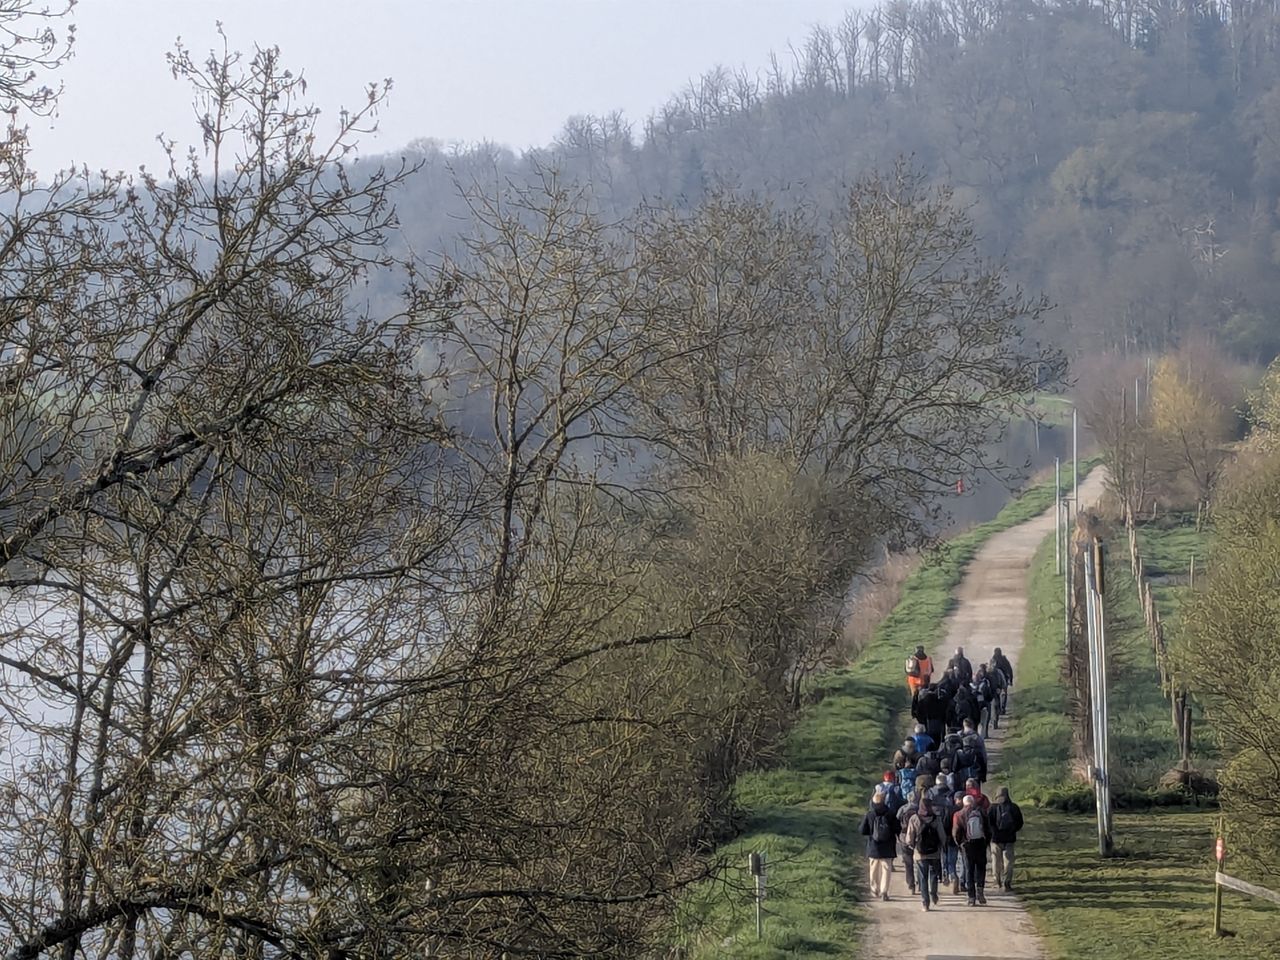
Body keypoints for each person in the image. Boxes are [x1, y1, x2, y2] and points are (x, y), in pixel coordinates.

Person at [860, 786, 900, 901]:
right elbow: (897, 828)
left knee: (873, 868)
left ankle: (874, 889)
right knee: (886, 869)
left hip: (873, 845)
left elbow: (862, 830)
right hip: (887, 846)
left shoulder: (870, 814)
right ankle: (884, 891)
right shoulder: (890, 813)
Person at [906, 799, 946, 912]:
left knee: (923, 877)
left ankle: (925, 903)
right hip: (934, 852)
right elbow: (942, 836)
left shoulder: (914, 818)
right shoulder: (936, 819)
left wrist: (912, 845)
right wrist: (942, 846)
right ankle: (933, 894)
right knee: (933, 875)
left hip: (920, 854)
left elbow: (909, 837)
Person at [953, 794, 991, 906]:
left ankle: (971, 897)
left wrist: (959, 844)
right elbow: (988, 829)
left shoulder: (959, 814)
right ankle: (980, 890)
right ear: (973, 802)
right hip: (980, 844)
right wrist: (986, 842)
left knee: (969, 870)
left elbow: (956, 832)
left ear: (963, 803)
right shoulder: (982, 813)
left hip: (967, 845)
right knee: (981, 868)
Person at [990, 786, 1025, 891]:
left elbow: (989, 823)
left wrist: (992, 833)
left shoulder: (992, 808)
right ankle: (1007, 883)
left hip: (996, 839)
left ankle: (997, 881)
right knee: (1008, 862)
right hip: (1009, 838)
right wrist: (1012, 830)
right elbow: (1020, 823)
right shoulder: (1014, 807)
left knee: (996, 861)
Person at [897, 789, 919, 896]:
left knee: (908, 862)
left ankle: (911, 885)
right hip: (918, 837)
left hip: (905, 836)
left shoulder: (903, 809)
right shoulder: (920, 809)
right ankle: (920, 882)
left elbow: (897, 819)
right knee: (920, 861)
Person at [972, 665, 996, 739]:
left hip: (976, 704)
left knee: (976, 720)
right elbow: (990, 693)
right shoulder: (986, 681)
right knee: (985, 720)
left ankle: (976, 735)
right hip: (985, 703)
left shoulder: (972, 684)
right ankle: (985, 734)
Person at [991, 647, 1014, 712]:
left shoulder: (994, 660)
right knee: (1002, 694)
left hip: (1000, 680)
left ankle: (1000, 708)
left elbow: (1009, 669)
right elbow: (1010, 670)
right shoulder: (1002, 660)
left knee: (999, 694)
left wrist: (1010, 679)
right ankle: (1001, 708)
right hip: (1002, 680)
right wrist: (1010, 679)